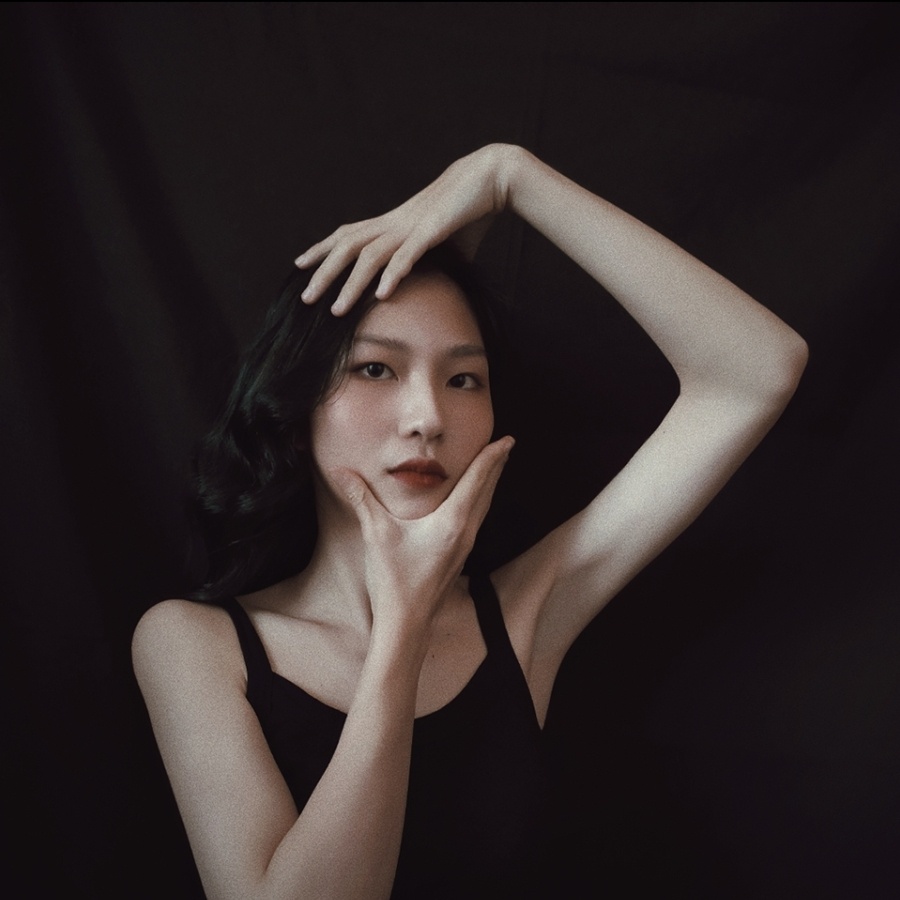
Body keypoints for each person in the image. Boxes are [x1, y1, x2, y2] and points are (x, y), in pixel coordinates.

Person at [132, 144, 808, 899]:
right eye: (375, 368)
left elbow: (756, 370)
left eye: (463, 379)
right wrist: (403, 624)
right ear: (294, 415)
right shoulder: (193, 644)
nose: (428, 417)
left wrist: (509, 177)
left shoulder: (523, 614)